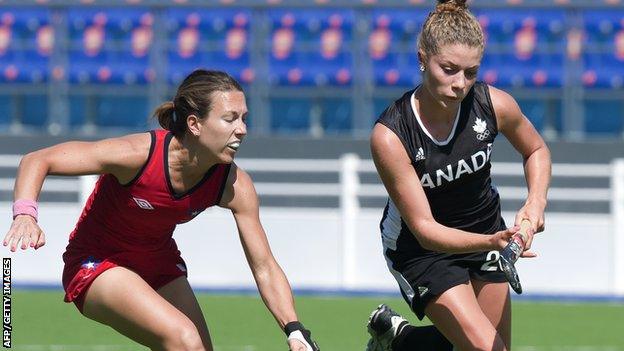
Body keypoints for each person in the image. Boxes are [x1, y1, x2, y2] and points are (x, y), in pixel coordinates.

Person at [4, 69, 319, 351]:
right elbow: (37, 159)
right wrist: (26, 214)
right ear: (194, 124)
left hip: (159, 264)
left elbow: (263, 265)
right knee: (183, 338)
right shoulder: (138, 154)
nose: (242, 129)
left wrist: (294, 329)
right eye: (230, 118)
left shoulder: (234, 184)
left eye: (244, 118)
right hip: (97, 262)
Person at [365, 1, 551, 350]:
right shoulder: (391, 135)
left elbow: (536, 150)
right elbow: (425, 230)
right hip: (422, 249)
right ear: (422, 58)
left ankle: (399, 340)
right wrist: (493, 241)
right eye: (448, 69)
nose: (459, 84)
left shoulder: (494, 104)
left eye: (470, 73)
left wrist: (535, 203)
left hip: (486, 232)